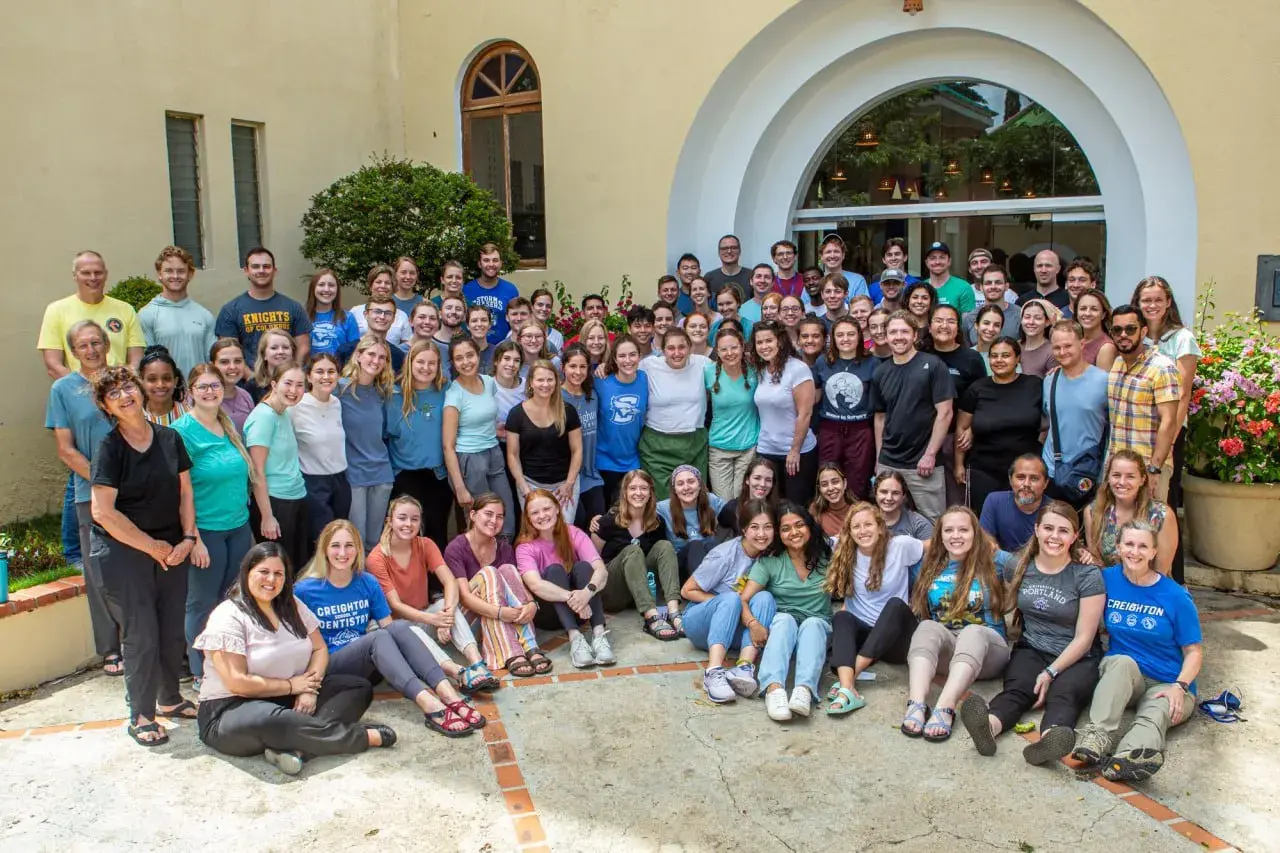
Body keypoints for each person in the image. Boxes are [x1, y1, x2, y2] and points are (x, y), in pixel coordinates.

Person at [195, 542, 394, 774]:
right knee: (272, 720)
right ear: (247, 572)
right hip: (230, 710)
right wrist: (291, 686)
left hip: (286, 698)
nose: (271, 580)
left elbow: (319, 649)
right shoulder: (228, 616)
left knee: (357, 687)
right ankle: (360, 737)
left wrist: (309, 689)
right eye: (264, 571)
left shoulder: (292, 605)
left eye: (278, 574)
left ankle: (296, 749)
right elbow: (238, 682)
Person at [89, 365, 198, 746]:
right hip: (123, 552)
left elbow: (186, 492)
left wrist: (188, 537)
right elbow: (103, 512)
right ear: (106, 406)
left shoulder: (169, 438)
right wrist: (151, 546)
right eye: (113, 393)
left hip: (172, 548)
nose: (124, 396)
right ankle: (141, 714)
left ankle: (170, 698)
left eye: (127, 387)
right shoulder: (109, 448)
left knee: (170, 629)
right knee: (142, 634)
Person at [296, 521, 485, 737]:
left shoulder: (367, 582)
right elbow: (295, 645)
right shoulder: (305, 590)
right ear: (324, 549)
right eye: (335, 546)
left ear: (358, 549)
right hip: (329, 666)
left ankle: (450, 696)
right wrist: (307, 688)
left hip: (365, 667)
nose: (342, 553)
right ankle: (430, 704)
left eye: (349, 545)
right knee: (378, 637)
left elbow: (390, 628)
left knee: (398, 627)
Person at [960, 502, 1104, 766]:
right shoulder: (1018, 566)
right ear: (1036, 530)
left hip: (1078, 656)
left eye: (1063, 531)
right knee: (1017, 690)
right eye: (1048, 528)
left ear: (1074, 536)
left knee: (1064, 695)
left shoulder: (1087, 575)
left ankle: (1050, 741)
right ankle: (988, 726)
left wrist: (1051, 672)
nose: (1054, 536)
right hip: (1032, 648)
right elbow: (979, 549)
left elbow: (1084, 639)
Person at [1072, 521, 1203, 782]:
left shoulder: (1175, 596)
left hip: (1168, 681)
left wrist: (1180, 686)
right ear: (1118, 547)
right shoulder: (1106, 579)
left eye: (1143, 546)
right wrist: (1079, 553)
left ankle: (1128, 758)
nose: (1135, 551)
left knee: (1156, 711)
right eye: (1129, 544)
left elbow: (1194, 652)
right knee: (1120, 661)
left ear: (1154, 552)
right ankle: (1096, 738)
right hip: (1125, 676)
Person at [173, 363, 255, 688]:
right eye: (203, 387)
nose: (210, 392)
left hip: (238, 526)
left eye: (215, 385)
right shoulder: (181, 432)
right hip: (206, 531)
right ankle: (200, 670)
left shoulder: (228, 423)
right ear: (190, 392)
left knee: (232, 600)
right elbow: (181, 491)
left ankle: (229, 663)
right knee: (202, 603)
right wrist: (193, 538)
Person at [46, 320, 121, 675]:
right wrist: (105, 481)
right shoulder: (63, 389)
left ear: (106, 343)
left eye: (96, 342)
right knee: (100, 571)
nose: (91, 350)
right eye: (83, 345)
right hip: (90, 492)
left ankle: (141, 639)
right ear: (73, 352)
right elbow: (66, 449)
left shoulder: (123, 380)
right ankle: (111, 647)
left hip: (136, 490)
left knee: (141, 567)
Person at [900, 507, 1013, 741]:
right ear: (939, 535)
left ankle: (945, 706)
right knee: (926, 626)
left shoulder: (994, 560)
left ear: (976, 533)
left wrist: (1079, 555)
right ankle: (917, 704)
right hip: (948, 653)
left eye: (963, 530)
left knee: (973, 632)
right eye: (949, 530)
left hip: (988, 651)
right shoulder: (928, 564)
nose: (956, 536)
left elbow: (1033, 567)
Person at [365, 496, 499, 691]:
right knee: (412, 630)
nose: (408, 524)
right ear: (389, 521)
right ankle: (459, 672)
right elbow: (395, 605)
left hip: (423, 616)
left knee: (444, 603)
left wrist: (447, 616)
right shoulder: (376, 558)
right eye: (402, 518)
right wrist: (434, 620)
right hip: (393, 627)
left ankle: (477, 663)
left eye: (414, 519)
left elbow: (450, 581)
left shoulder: (425, 544)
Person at [824, 502, 925, 714]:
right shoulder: (844, 550)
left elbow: (935, 545)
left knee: (895, 605)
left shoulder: (900, 546)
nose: (863, 531)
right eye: (856, 526)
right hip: (865, 637)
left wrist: (985, 544)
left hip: (896, 640)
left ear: (880, 527)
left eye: (868, 524)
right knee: (841, 617)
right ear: (849, 532)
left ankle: (848, 681)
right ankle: (848, 689)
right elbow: (812, 541)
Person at [1133, 275, 1198, 582]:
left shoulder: (1182, 338)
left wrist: (1169, 442)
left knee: (1164, 509)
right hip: (1137, 431)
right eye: (1146, 300)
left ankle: (1174, 584)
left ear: (1168, 302)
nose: (1152, 305)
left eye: (1158, 299)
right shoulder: (1136, 336)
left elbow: (1183, 394)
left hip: (1167, 434)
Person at [680, 500, 778, 703]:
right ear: (744, 529)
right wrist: (729, 605)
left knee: (765, 597)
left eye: (767, 527)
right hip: (701, 622)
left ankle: (744, 668)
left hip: (733, 627)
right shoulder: (725, 554)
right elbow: (687, 590)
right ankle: (713, 671)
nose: (761, 534)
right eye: (754, 527)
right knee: (732, 599)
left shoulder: (770, 556)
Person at [443, 494, 551, 677]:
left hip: (500, 617)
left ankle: (530, 646)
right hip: (468, 621)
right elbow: (465, 598)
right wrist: (500, 612)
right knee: (489, 572)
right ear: (473, 515)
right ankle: (511, 652)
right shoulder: (456, 548)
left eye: (499, 516)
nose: (494, 520)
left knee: (508, 569)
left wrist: (532, 604)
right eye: (488, 514)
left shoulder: (504, 548)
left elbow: (516, 587)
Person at [743, 502, 833, 721]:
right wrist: (754, 624)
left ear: (809, 526)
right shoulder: (769, 562)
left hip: (818, 627)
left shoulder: (827, 558)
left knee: (813, 624)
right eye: (785, 528)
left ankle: (804, 690)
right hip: (783, 630)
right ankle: (774, 690)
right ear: (779, 534)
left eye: (799, 525)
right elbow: (743, 599)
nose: (794, 532)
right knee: (784, 619)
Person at [870, 311, 955, 520]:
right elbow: (880, 418)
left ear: (915, 335)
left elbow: (945, 412)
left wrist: (930, 454)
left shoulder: (934, 365)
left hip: (924, 463)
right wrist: (880, 457)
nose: (898, 337)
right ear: (886, 336)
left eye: (904, 331)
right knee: (886, 521)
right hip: (889, 461)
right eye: (893, 332)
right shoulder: (880, 372)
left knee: (933, 521)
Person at [516, 490, 614, 668]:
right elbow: (535, 585)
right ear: (528, 518)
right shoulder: (525, 547)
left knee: (583, 567)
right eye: (535, 512)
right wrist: (574, 598)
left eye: (546, 509)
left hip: (582, 611)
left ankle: (599, 634)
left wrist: (587, 592)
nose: (542, 515)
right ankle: (575, 638)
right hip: (549, 613)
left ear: (557, 509)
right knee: (554, 570)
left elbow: (601, 570)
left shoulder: (573, 533)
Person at [955, 337, 1044, 513]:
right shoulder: (977, 388)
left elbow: (1051, 417)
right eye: (994, 356)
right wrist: (958, 464)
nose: (999, 360)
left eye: (1005, 355)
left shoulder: (1034, 385)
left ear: (1018, 358)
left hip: (1024, 471)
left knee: (1024, 516)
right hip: (983, 469)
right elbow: (962, 428)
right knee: (985, 519)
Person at [592, 470, 683, 640]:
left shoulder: (657, 522)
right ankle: (651, 617)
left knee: (665, 545)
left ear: (650, 493)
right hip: (612, 590)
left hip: (640, 589)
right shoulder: (608, 521)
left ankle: (674, 612)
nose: (638, 493)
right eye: (633, 488)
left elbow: (659, 561)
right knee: (633, 550)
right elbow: (592, 561)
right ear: (625, 492)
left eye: (644, 488)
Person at [1105, 304, 1181, 502]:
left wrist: (1155, 468)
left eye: (1130, 329)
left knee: (1150, 521)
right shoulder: (1117, 364)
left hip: (1148, 467)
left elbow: (1169, 421)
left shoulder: (1162, 368)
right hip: (1118, 468)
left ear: (1144, 331)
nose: (1123, 335)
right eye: (1117, 330)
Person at [443, 337, 517, 536]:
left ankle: (504, 555)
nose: (466, 362)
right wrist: (460, 487)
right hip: (470, 460)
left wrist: (494, 430)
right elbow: (448, 446)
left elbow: (483, 415)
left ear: (478, 355)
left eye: (470, 355)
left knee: (506, 516)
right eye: (459, 358)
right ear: (453, 363)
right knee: (483, 523)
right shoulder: (454, 394)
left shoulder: (489, 382)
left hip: (493, 453)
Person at [386, 340, 453, 551]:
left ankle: (436, 573)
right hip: (405, 473)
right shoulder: (393, 395)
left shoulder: (446, 390)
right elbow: (384, 435)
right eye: (420, 362)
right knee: (407, 533)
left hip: (438, 474)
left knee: (436, 531)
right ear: (410, 362)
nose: (426, 368)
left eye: (432, 363)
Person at [244, 363, 310, 572]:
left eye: (299, 385)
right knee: (278, 569)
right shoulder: (263, 418)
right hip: (275, 502)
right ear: (274, 384)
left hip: (295, 496)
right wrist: (267, 516)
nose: (293, 390)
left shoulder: (283, 413)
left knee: (296, 567)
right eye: (288, 383)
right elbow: (257, 472)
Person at [38, 250, 145, 379]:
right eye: (86, 273)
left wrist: (116, 386)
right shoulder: (56, 310)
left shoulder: (125, 310)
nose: (93, 278)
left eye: (98, 272)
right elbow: (53, 366)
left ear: (106, 274)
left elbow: (136, 361)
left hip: (118, 388)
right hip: (77, 389)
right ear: (74, 275)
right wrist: (85, 387)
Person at [748, 320, 818, 502]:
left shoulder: (798, 369)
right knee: (768, 506)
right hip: (766, 450)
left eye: (768, 341)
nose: (764, 346)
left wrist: (794, 450)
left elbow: (805, 414)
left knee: (795, 507)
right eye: (759, 342)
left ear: (779, 341)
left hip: (796, 452)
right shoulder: (761, 370)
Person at [337, 336, 395, 551]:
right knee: (356, 538)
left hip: (382, 472)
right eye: (371, 354)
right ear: (359, 355)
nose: (376, 361)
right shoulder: (339, 389)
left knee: (375, 540)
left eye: (382, 357)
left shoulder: (383, 392)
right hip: (354, 473)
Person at [1044, 320, 1110, 508]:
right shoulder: (1049, 380)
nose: (1062, 352)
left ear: (1082, 344)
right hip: (1053, 470)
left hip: (1088, 469)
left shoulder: (1103, 381)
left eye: (1068, 346)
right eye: (1056, 347)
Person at [506, 360, 583, 521]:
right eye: (540, 380)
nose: (545, 384)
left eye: (550, 379)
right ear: (531, 383)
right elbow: (512, 455)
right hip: (531, 484)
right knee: (538, 530)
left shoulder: (568, 411)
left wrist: (569, 484)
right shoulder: (516, 414)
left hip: (564, 484)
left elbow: (577, 450)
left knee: (564, 531)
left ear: (556, 381)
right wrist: (524, 488)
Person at [926, 304, 986, 507]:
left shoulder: (971, 358)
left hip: (956, 438)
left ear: (958, 327)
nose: (944, 325)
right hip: (923, 438)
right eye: (939, 321)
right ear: (929, 326)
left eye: (951, 321)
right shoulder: (919, 354)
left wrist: (972, 429)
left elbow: (983, 399)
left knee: (956, 498)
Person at [640, 328, 711, 499]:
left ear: (690, 348)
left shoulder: (703, 364)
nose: (677, 353)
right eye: (671, 348)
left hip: (694, 444)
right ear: (662, 350)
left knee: (694, 498)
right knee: (663, 501)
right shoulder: (648, 365)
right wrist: (604, 367)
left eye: (682, 347)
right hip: (657, 447)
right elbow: (623, 371)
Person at [289, 353, 350, 549]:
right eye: (319, 372)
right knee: (322, 542)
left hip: (340, 480)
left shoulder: (336, 403)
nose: (326, 377)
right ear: (309, 376)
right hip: (314, 483)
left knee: (340, 538)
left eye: (331, 371)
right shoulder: (296, 406)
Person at [215, 247, 312, 368]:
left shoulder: (294, 307)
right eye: (255, 266)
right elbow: (229, 352)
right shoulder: (230, 310)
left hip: (287, 377)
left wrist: (292, 373)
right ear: (246, 271)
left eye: (266, 266)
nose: (261, 270)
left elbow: (303, 347)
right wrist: (252, 377)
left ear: (274, 271)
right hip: (248, 378)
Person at [1084, 451, 1178, 575]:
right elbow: (1096, 562)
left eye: (1130, 476)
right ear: (1108, 478)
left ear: (1142, 480)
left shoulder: (1162, 515)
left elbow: (1160, 572)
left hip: (1150, 584)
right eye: (1116, 475)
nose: (1122, 482)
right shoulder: (1093, 511)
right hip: (1108, 582)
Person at [812, 316, 875, 499]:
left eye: (850, 334)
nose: (845, 339)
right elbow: (814, 397)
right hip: (830, 429)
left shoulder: (872, 362)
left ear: (859, 336)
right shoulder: (823, 362)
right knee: (828, 479)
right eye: (840, 335)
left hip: (860, 430)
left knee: (858, 481)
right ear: (833, 338)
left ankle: (856, 514)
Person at [139, 246, 216, 378]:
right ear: (159, 274)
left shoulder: (204, 315)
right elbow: (146, 365)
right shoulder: (147, 315)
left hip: (198, 389)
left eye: (181, 271)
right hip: (164, 389)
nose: (175, 276)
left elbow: (212, 360)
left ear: (190, 274)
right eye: (169, 271)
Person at [705, 327, 761, 500]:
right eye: (724, 349)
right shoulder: (708, 372)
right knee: (724, 504)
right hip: (719, 448)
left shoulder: (755, 371)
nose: (730, 353)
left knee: (744, 500)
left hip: (749, 447)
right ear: (717, 351)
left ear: (742, 347)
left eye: (734, 347)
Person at [595, 335, 649, 506]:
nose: (628, 360)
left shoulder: (645, 378)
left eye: (632, 355)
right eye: (622, 356)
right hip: (605, 459)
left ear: (639, 356)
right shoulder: (601, 381)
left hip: (633, 459)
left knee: (631, 509)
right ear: (614, 358)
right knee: (609, 511)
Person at [561, 344, 606, 529]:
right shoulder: (556, 397)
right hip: (565, 476)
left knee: (599, 524)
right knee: (576, 524)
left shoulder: (592, 396)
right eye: (573, 366)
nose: (578, 372)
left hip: (590, 474)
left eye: (582, 367)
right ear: (563, 367)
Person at [658, 464, 727, 582]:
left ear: (699, 485)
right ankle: (699, 588)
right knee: (695, 545)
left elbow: (734, 513)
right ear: (674, 489)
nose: (686, 487)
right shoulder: (663, 508)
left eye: (691, 481)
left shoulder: (711, 500)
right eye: (680, 484)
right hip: (681, 567)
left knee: (711, 544)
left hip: (709, 562)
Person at [979, 454, 1050, 552]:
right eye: (1020, 477)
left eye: (1034, 478)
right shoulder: (994, 501)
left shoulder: (1055, 511)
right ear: (1010, 480)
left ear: (1045, 483)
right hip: (1001, 561)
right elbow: (986, 543)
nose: (1026, 484)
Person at [465, 243, 520, 344]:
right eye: (486, 260)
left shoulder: (510, 290)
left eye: (495, 260)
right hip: (473, 348)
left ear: (500, 263)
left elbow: (517, 321)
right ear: (479, 264)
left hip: (504, 349)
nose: (491, 264)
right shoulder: (467, 290)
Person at [305, 269, 361, 363]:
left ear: (337, 289)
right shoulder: (302, 316)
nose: (326, 289)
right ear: (313, 288)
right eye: (321, 284)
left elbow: (354, 353)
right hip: (308, 371)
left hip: (339, 371)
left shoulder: (348, 318)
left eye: (331, 285)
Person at [716, 455, 781, 535]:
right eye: (757, 478)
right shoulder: (732, 508)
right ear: (747, 479)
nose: (762, 484)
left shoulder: (780, 509)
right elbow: (720, 534)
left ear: (773, 483)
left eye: (768, 480)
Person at [352, 266, 412, 349]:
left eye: (387, 283)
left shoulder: (402, 316)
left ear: (393, 287)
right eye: (378, 282)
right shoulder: (355, 312)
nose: (383, 286)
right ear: (371, 286)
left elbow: (407, 346)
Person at [963, 265, 1020, 346]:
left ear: (1006, 286)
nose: (993, 287)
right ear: (981, 287)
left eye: (998, 282)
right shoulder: (970, 318)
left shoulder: (1020, 315)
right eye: (988, 283)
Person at [138, 345, 190, 425]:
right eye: (152, 379)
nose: (160, 385)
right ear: (141, 382)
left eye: (166, 378)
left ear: (175, 381)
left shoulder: (189, 416)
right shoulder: (134, 417)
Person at [874, 470, 934, 539]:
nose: (889, 498)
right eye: (884, 492)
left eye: (895, 493)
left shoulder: (919, 524)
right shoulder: (866, 520)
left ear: (903, 496)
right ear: (875, 494)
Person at [211, 339, 255, 432]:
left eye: (238, 361)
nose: (232, 367)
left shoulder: (245, 396)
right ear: (212, 366)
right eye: (224, 362)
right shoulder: (201, 398)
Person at [246, 327, 298, 403]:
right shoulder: (252, 386)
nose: (280, 351)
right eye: (274, 348)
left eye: (285, 347)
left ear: (292, 353)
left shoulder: (302, 381)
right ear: (264, 354)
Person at [921, 242, 975, 313]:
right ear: (927, 263)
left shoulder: (963, 287)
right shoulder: (920, 287)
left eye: (942, 257)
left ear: (949, 261)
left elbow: (968, 319)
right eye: (932, 258)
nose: (937, 262)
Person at [360, 294, 407, 374]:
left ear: (393, 318)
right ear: (366, 314)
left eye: (388, 313)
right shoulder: (348, 350)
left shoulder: (398, 356)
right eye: (377, 312)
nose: (382, 317)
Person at [1074, 288, 1118, 370]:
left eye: (1094, 309)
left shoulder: (1106, 348)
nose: (1087, 313)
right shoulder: (1075, 339)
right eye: (1083, 308)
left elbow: (1102, 378)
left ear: (1103, 315)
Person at [810, 463, 855, 542]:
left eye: (835, 482)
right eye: (824, 484)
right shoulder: (815, 509)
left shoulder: (857, 510)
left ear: (844, 483)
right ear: (820, 489)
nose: (830, 488)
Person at [868, 238, 919, 304]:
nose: (893, 258)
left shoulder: (917, 285)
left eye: (897, 254)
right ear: (884, 260)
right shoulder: (873, 288)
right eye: (889, 255)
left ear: (905, 257)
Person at [1018, 298, 1060, 378]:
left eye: (1038, 318)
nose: (1031, 322)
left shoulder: (1052, 352)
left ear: (1047, 322)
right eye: (1027, 317)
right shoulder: (1014, 346)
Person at [818, 234, 869, 298]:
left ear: (843, 255)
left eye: (836, 251)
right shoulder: (815, 281)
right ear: (821, 256)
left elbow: (863, 304)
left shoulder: (857, 281)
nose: (832, 256)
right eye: (828, 252)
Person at [704, 234, 752, 302]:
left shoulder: (751, 275)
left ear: (740, 251)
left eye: (733, 248)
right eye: (724, 248)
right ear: (719, 252)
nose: (729, 251)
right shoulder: (709, 278)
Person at [969, 303, 1007, 373]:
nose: (991, 329)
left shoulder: (1007, 357)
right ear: (976, 325)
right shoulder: (966, 354)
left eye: (996, 325)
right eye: (986, 323)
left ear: (1001, 329)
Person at [434, 295, 467, 373]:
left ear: (464, 316)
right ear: (440, 314)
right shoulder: (429, 343)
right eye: (448, 308)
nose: (453, 312)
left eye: (458, 309)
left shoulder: (469, 343)